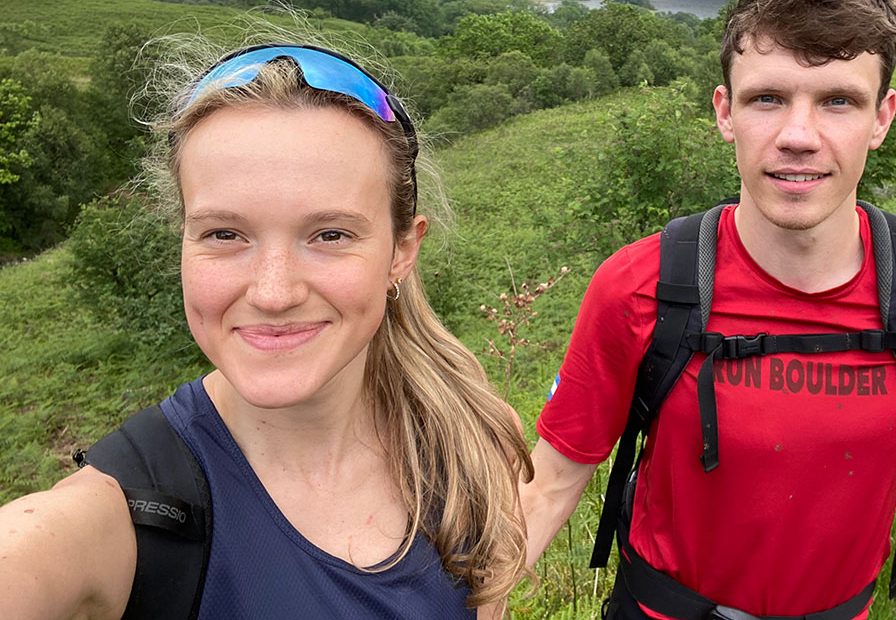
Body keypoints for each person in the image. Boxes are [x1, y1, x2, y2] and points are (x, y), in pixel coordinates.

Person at [519, 0, 896, 620]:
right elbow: (551, 481)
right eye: (767, 99)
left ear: (882, 118)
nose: (798, 137)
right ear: (725, 112)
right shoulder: (640, 287)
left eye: (838, 100)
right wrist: (471, 600)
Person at [0, 38, 532, 619]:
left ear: (402, 251)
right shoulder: (118, 519)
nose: (274, 293)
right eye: (225, 234)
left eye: (331, 234)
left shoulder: (468, 441)